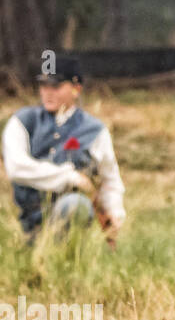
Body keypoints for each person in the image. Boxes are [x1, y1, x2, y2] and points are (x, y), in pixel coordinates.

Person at [4, 55, 124, 243]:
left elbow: (110, 179)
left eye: (56, 86)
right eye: (44, 86)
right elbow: (16, 167)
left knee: (75, 205)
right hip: (27, 220)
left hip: (70, 213)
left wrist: (115, 214)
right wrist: (69, 177)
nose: (47, 93)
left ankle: (66, 255)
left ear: (76, 89)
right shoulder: (22, 121)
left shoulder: (95, 130)